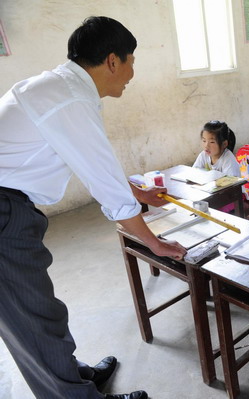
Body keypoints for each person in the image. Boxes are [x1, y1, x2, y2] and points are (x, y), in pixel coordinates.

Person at [0, 16, 187, 399]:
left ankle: (74, 376)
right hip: (4, 214)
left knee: (39, 312)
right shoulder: (68, 98)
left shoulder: (59, 87)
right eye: (132, 61)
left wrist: (135, 192)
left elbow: (96, 164)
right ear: (113, 60)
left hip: (10, 205)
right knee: (34, 319)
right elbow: (105, 185)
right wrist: (152, 242)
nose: (133, 73)